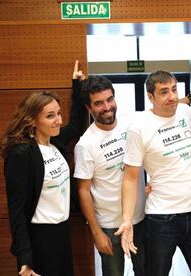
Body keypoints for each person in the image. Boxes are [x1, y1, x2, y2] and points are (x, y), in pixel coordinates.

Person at [115, 70, 191, 276]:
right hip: (162, 219)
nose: (171, 96)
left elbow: (184, 103)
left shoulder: (186, 112)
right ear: (150, 97)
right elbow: (130, 177)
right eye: (163, 92)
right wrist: (126, 220)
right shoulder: (138, 128)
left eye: (173, 89)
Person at [0, 61, 86, 276]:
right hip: (40, 238)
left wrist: (76, 85)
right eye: (50, 116)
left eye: (58, 113)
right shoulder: (21, 154)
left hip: (62, 232)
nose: (58, 120)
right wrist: (25, 260)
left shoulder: (54, 142)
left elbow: (76, 123)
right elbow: (16, 210)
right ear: (32, 120)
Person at [73, 75, 146, 276]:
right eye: (98, 103)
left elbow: (160, 111)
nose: (106, 107)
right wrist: (96, 233)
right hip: (108, 227)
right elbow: (83, 191)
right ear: (89, 108)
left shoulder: (131, 124)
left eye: (109, 99)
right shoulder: (86, 144)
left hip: (139, 220)